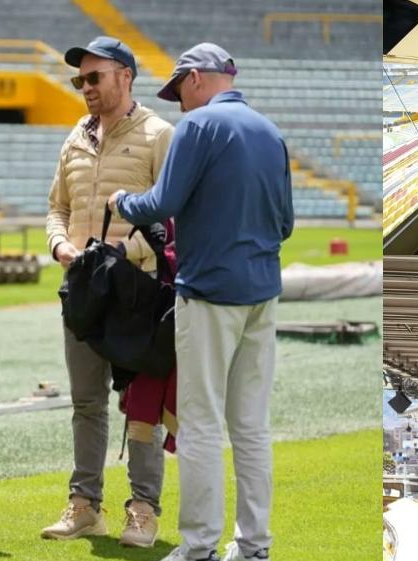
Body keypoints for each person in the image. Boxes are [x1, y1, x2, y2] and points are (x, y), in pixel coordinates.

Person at [108, 42, 293, 561]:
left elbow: (161, 202)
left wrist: (122, 201)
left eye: (179, 93)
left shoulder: (198, 126)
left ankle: (198, 547)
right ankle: (254, 546)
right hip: (262, 293)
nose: (179, 106)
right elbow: (286, 224)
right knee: (252, 427)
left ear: (194, 79)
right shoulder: (270, 132)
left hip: (209, 292)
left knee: (201, 425)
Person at [41, 36, 176, 546]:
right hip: (80, 291)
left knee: (142, 406)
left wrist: (130, 255)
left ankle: (143, 510)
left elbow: (173, 216)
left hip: (138, 295)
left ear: (125, 76)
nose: (85, 88)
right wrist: (60, 246)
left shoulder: (161, 135)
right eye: (79, 80)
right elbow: (56, 207)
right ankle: (84, 506)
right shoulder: (74, 137)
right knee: (85, 403)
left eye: (93, 78)